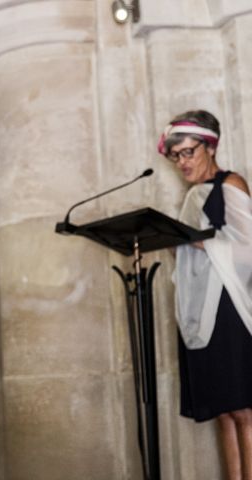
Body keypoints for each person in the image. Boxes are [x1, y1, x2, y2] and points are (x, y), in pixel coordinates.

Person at [159, 109, 252, 480]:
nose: (181, 162)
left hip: (231, 308)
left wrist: (197, 244)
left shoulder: (230, 184)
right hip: (202, 310)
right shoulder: (193, 195)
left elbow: (248, 250)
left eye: (188, 152)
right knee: (224, 411)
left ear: (210, 147)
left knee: (244, 409)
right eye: (175, 155)